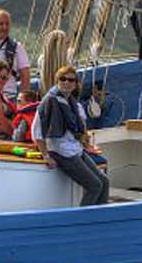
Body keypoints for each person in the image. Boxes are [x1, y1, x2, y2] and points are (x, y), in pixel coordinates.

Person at [36, 67, 109, 206]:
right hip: (61, 152)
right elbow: (37, 132)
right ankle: (83, 222)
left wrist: (87, 146)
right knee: (94, 186)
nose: (66, 83)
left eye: (70, 80)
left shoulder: (72, 104)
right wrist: (46, 156)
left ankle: (100, 220)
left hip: (75, 149)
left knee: (104, 182)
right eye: (62, 79)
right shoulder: (49, 102)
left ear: (75, 84)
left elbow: (80, 130)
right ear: (57, 81)